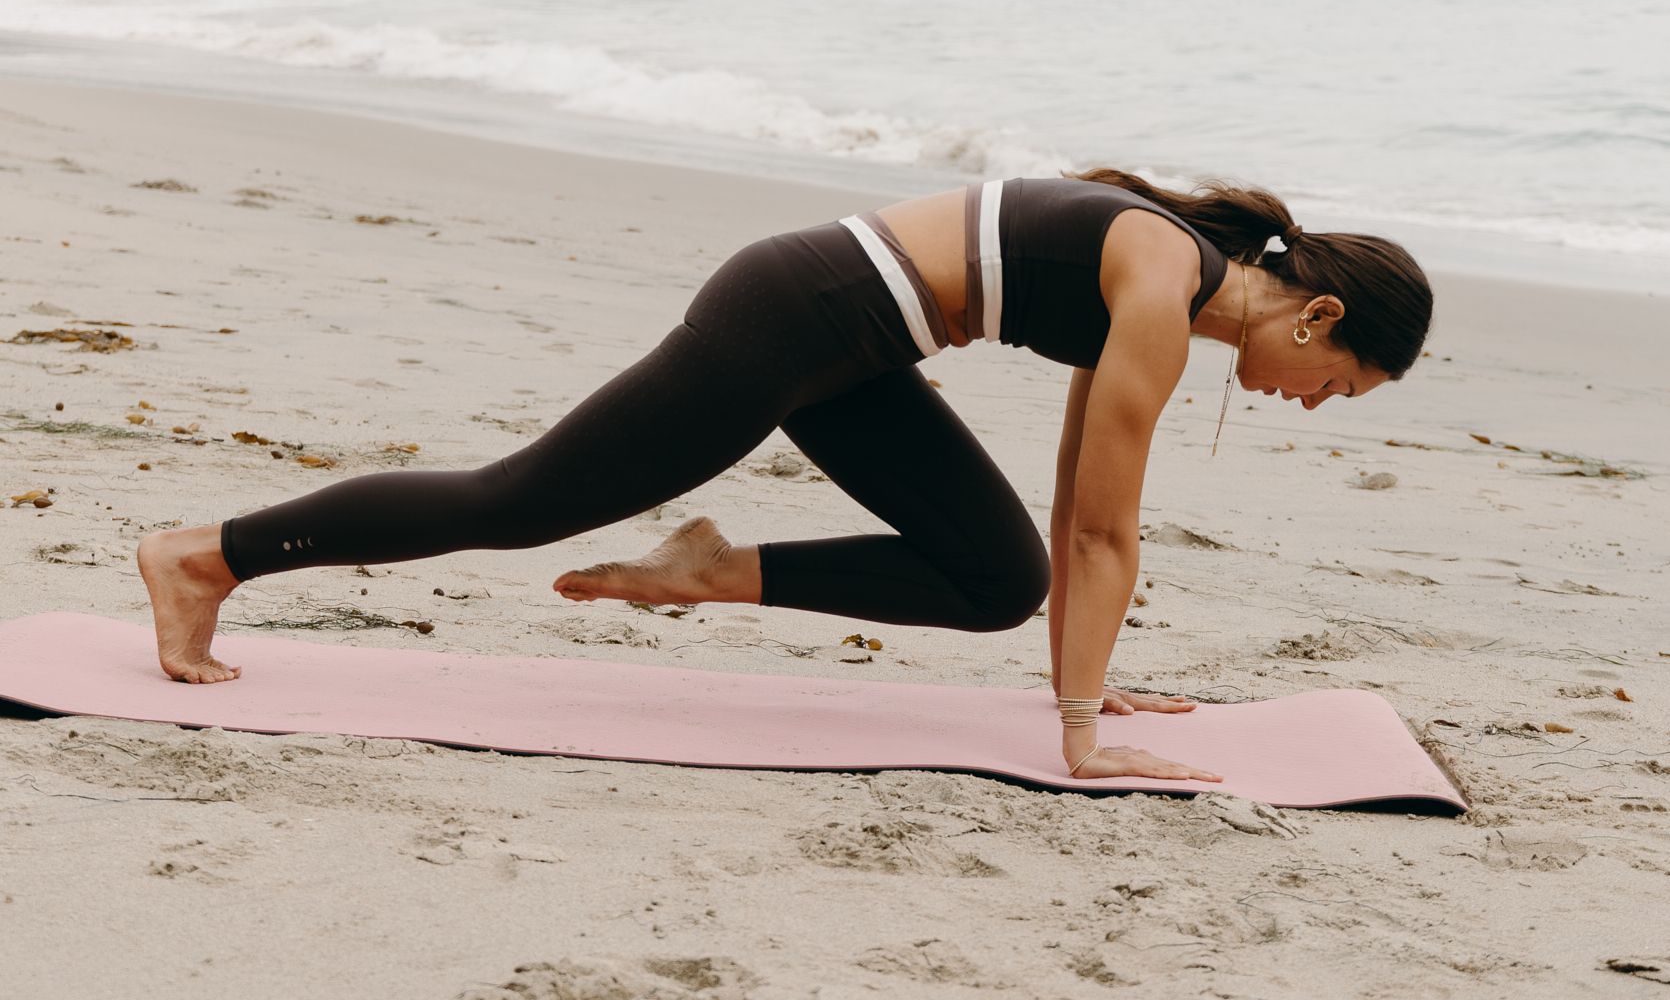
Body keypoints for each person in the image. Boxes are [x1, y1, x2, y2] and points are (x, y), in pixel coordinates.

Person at [139, 169, 1432, 782]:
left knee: (996, 579)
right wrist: (1082, 742)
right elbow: (1105, 528)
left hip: (860, 346)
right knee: (519, 502)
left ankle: (708, 569)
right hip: (796, 316)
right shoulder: (1161, 283)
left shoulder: (1170, 281)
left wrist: (1083, 687)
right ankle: (207, 553)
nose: (1314, 407)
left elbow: (1074, 529)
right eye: (1339, 388)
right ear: (1315, 321)